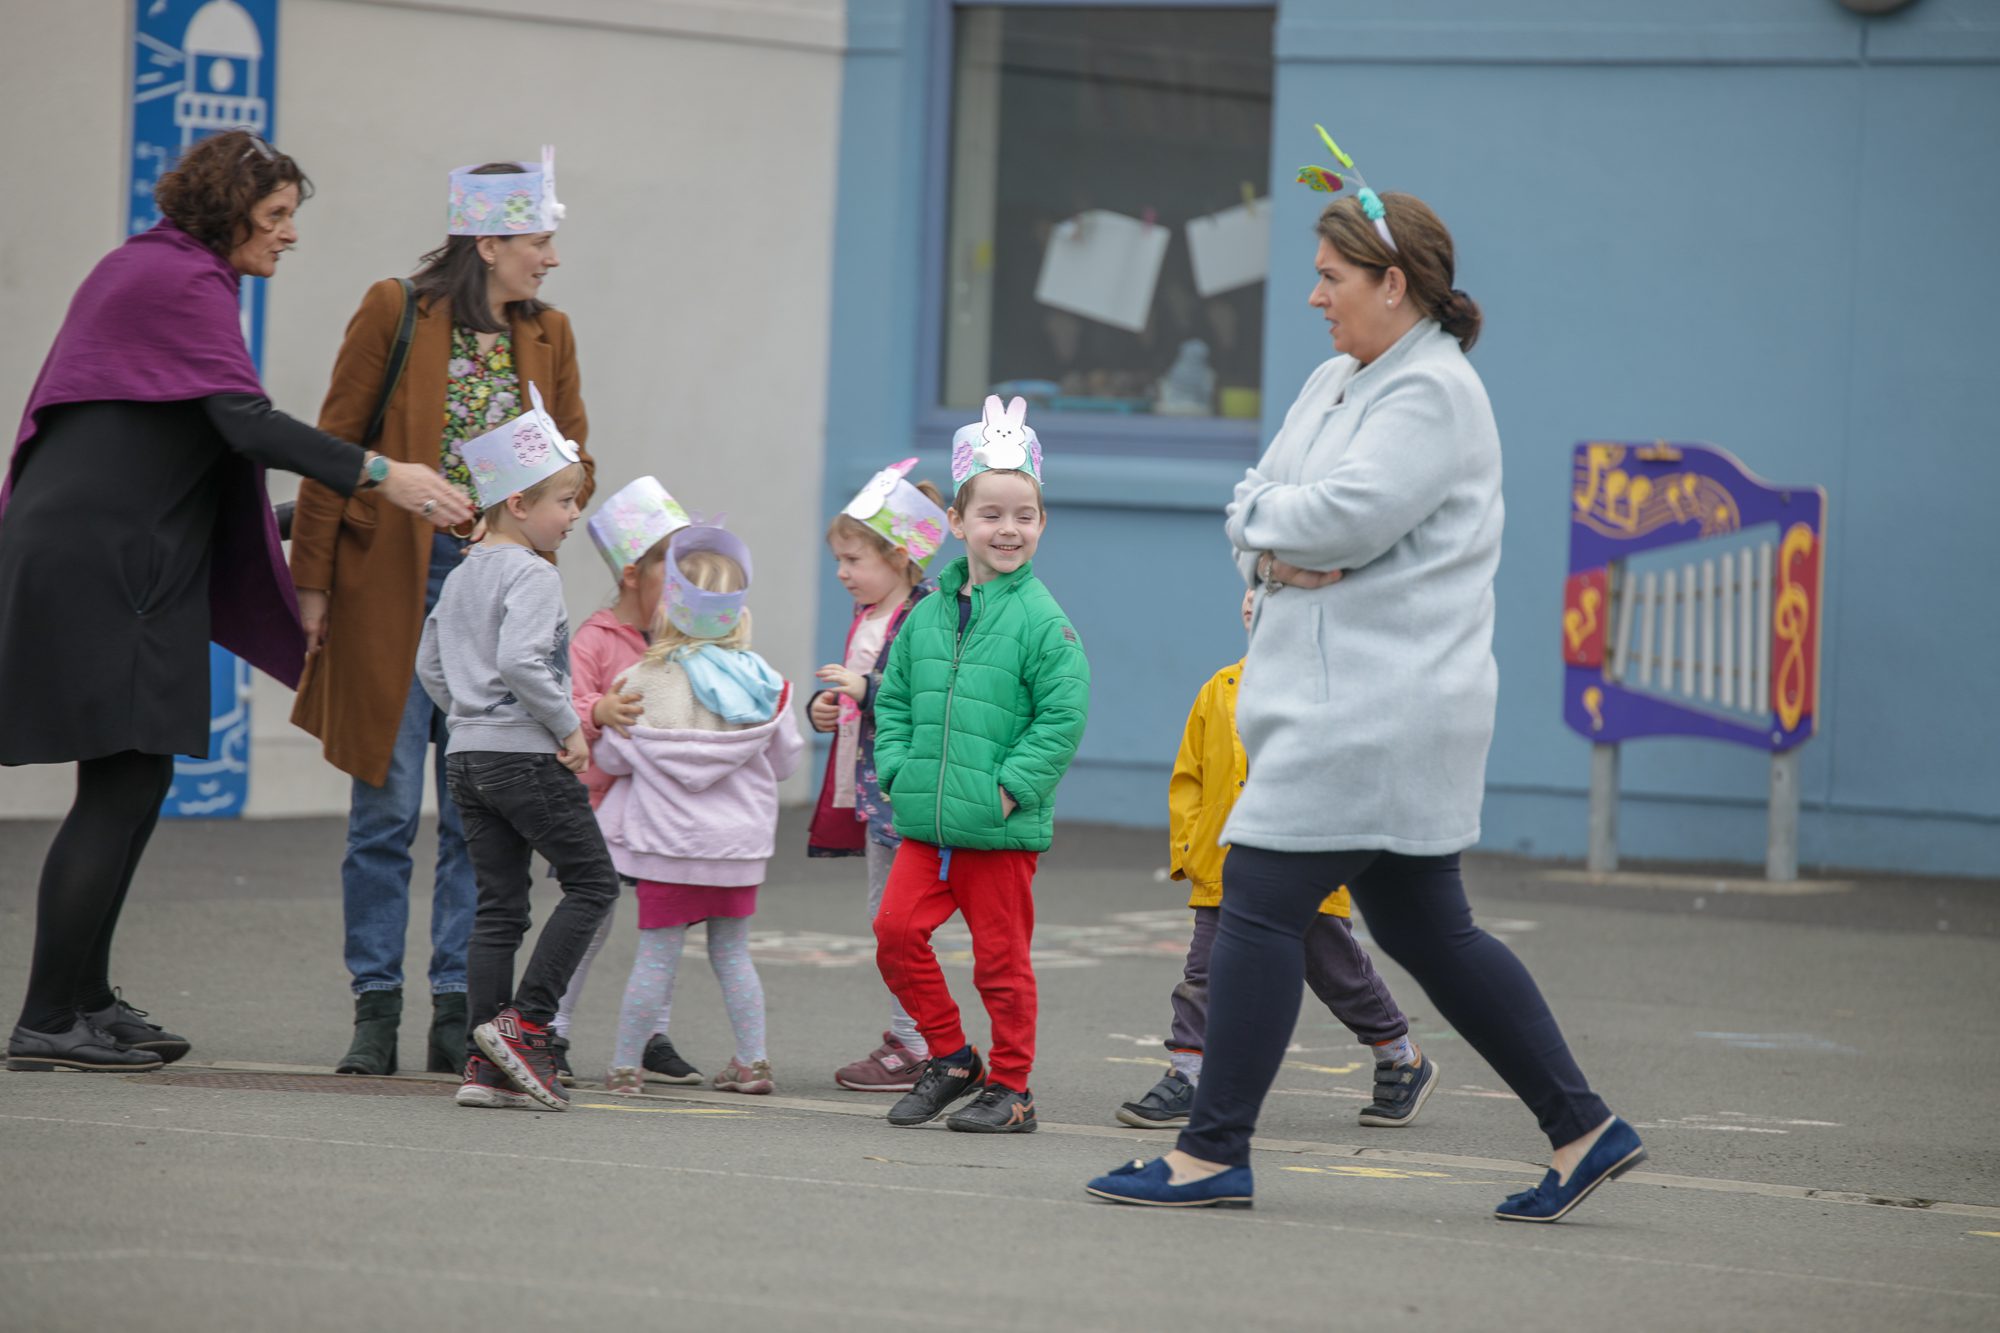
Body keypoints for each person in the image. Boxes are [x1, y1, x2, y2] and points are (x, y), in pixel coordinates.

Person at [1087, 140, 1642, 1220]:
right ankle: (1582, 1128)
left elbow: (1342, 516)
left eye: (1331, 278)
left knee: (1253, 895)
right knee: (1426, 926)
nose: (1312, 297)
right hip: (1358, 700)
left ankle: (1210, 1153)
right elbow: (1269, 498)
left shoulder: (1431, 391)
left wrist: (1279, 528)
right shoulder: (1339, 378)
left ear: (1394, 284)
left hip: (1374, 706)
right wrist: (1269, 539)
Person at [0, 131, 468, 1074]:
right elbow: (243, 424)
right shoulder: (178, 280)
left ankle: (83, 997)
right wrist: (386, 475)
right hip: (106, 565)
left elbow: (183, 448)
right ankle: (49, 1014)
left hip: (116, 554)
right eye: (278, 215)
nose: (289, 235)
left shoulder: (158, 274)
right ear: (228, 209)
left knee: (136, 777)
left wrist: (318, 515)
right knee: (124, 778)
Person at [290, 150, 593, 1077]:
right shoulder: (396, 308)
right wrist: (311, 584)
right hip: (392, 588)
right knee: (383, 813)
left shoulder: (551, 333)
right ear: (491, 238)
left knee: (478, 814)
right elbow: (334, 442)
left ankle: (459, 1007)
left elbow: (581, 458)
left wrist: (550, 517)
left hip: (498, 589)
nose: (550, 257)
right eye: (539, 239)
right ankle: (375, 1006)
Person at [1116, 589, 1434, 1132]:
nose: (1255, 600)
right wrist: (1191, 851)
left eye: (1275, 592)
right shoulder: (1219, 689)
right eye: (1249, 589)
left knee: (1337, 973)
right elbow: (1188, 778)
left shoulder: (1326, 690)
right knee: (1204, 974)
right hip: (1225, 868)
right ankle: (1188, 1075)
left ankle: (1399, 1056)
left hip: (1302, 865)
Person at [871, 397, 1090, 1134]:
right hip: (928, 824)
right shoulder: (927, 612)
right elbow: (894, 699)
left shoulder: (1043, 620)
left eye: (1024, 514)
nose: (1009, 528)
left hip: (997, 830)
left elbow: (1062, 716)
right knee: (895, 934)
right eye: (991, 513)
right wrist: (899, 769)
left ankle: (1013, 1086)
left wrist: (1010, 788)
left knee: (1002, 963)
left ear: (1042, 523)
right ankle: (950, 1055)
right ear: (957, 523)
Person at [416, 390, 616, 1112]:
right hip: (525, 755)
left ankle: (484, 1063)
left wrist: (469, 718)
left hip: (466, 756)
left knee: (499, 907)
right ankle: (526, 1024)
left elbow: (431, 666)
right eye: (565, 500)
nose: (572, 515)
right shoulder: (532, 573)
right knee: (593, 882)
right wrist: (568, 727)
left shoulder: (465, 571)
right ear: (519, 504)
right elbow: (526, 662)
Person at [595, 525, 804, 1096]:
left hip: (665, 848)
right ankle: (753, 1061)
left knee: (656, 957)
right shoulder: (765, 683)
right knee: (733, 954)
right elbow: (786, 760)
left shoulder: (639, 680)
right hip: (736, 850)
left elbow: (613, 759)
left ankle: (624, 1067)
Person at [542, 476, 697, 1087]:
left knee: (666, 921)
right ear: (633, 574)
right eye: (672, 571)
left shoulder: (684, 640)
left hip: (660, 807)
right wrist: (597, 712)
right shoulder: (594, 638)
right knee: (593, 916)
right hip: (601, 808)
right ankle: (551, 1029)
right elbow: (563, 705)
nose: (684, 586)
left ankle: (651, 1032)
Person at [806, 458, 949, 1092]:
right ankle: (912, 1037)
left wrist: (864, 686)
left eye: (853, 559)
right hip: (875, 794)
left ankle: (918, 1044)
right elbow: (858, 703)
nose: (841, 572)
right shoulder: (869, 617)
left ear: (898, 559)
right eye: (839, 558)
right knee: (884, 918)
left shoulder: (922, 614)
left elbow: (929, 689)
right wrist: (826, 709)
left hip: (905, 792)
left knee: (900, 921)